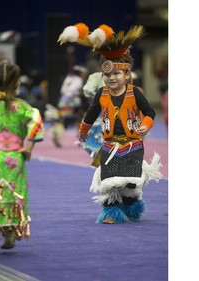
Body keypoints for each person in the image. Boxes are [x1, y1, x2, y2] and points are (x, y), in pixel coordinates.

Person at [58, 23, 163, 224]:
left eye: (116, 74)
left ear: (126, 75)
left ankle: (132, 205)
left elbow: (149, 111)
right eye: (107, 75)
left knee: (130, 183)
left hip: (132, 145)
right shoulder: (102, 93)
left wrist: (146, 124)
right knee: (108, 181)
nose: (111, 78)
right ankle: (111, 213)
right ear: (102, 76)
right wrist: (83, 130)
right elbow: (91, 113)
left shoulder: (134, 94)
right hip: (109, 145)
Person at [0, 62, 44, 258]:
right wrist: (29, 147)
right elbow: (36, 120)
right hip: (16, 158)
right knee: (13, 195)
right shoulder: (22, 107)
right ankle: (9, 236)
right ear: (16, 85)